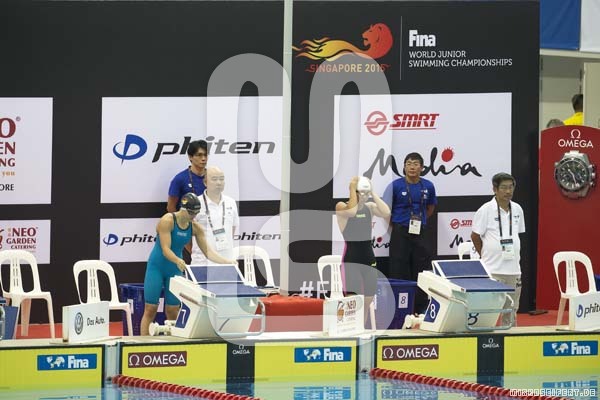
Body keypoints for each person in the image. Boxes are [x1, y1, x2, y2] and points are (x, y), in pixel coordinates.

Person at [141, 192, 235, 336]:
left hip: (175, 269)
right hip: (157, 267)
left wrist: (227, 262)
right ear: (183, 208)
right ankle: (143, 342)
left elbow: (208, 252)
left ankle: (174, 342)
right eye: (191, 213)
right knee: (150, 308)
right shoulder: (167, 220)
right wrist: (178, 260)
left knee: (173, 309)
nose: (193, 216)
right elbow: (165, 249)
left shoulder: (195, 227)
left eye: (196, 213)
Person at [471, 172, 525, 327]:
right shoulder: (485, 210)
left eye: (511, 187)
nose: (508, 191)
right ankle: (486, 337)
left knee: (511, 310)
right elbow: (475, 236)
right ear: (494, 189)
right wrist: (484, 255)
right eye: (504, 188)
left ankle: (511, 336)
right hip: (493, 269)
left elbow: (517, 235)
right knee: (489, 311)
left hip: (514, 269)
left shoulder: (517, 209)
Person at [336, 176, 390, 326]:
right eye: (362, 193)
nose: (365, 196)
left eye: (367, 193)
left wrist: (373, 193)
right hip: (351, 260)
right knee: (352, 301)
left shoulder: (370, 207)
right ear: (355, 192)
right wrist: (352, 188)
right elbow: (352, 212)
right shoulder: (341, 206)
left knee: (367, 300)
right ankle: (349, 330)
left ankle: (361, 329)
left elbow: (386, 212)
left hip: (368, 259)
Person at [388, 152, 437, 314]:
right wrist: (398, 223)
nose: (412, 167)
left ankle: (420, 307)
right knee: (398, 268)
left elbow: (430, 208)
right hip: (400, 231)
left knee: (421, 269)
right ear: (404, 167)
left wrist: (419, 220)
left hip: (420, 231)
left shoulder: (428, 186)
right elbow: (387, 210)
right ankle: (399, 308)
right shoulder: (395, 186)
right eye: (408, 164)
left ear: (422, 167)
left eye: (416, 164)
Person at [191, 166, 239, 265]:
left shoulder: (231, 202)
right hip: (202, 262)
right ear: (205, 182)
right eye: (214, 179)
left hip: (227, 261)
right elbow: (188, 233)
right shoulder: (196, 203)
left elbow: (232, 230)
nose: (219, 182)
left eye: (221, 179)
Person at [167, 140, 208, 213]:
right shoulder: (180, 179)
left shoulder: (212, 177)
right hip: (187, 219)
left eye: (205, 155)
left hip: (209, 218)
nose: (203, 158)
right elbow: (171, 207)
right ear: (190, 157)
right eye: (199, 155)